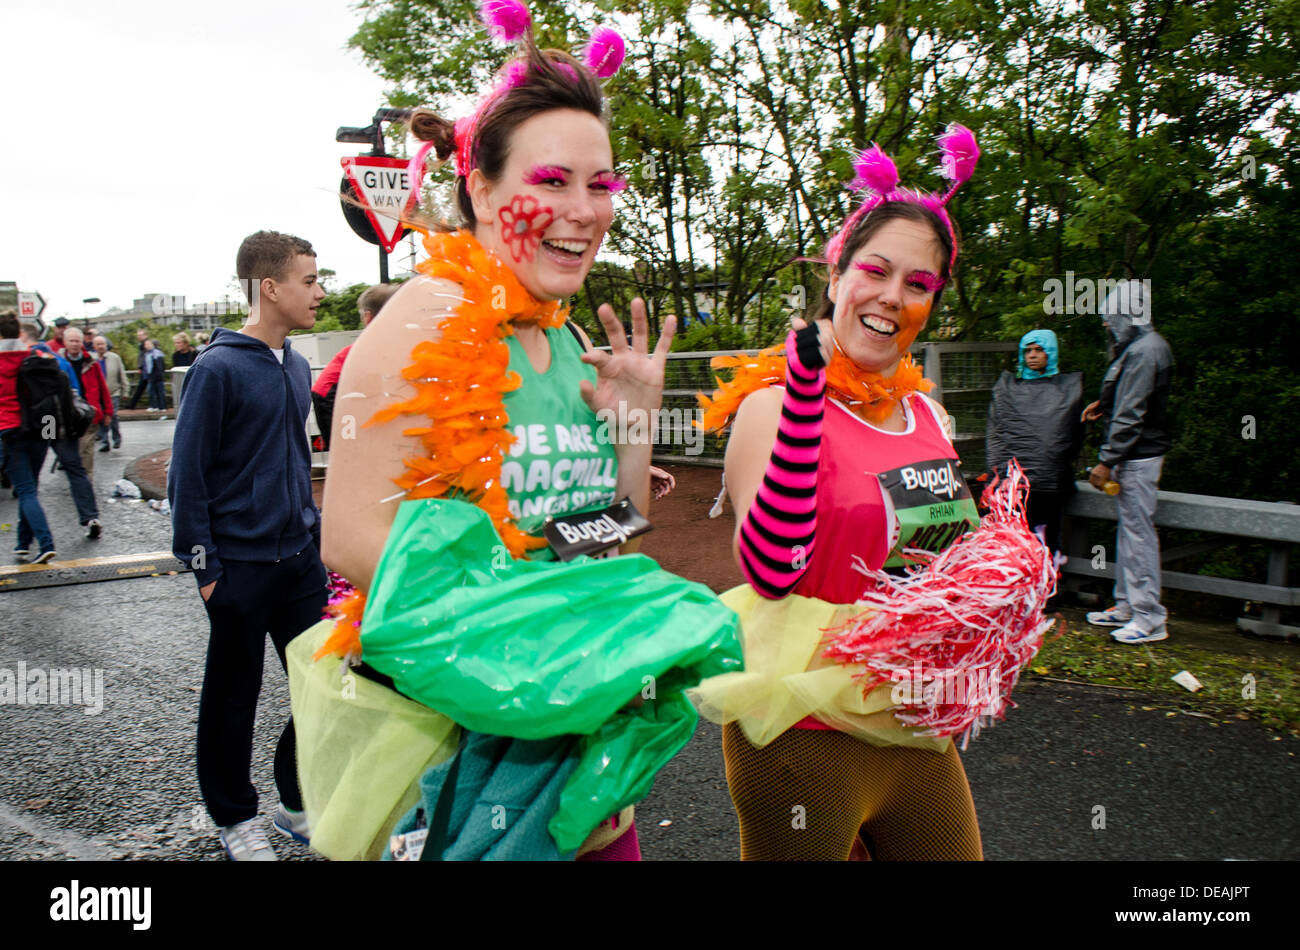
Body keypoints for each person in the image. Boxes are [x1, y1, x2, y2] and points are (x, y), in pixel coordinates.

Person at [302, 8, 728, 863]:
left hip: (582, 761)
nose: (584, 209)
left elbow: (604, 538)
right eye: (555, 180)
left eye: (601, 185)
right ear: (484, 191)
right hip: (464, 762)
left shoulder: (567, 338)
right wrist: (553, 648)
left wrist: (636, 427)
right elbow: (352, 542)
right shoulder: (429, 315)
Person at [691, 128, 992, 860]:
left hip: (914, 724)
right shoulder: (770, 406)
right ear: (838, 272)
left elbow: (939, 569)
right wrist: (802, 402)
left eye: (918, 285)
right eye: (877, 270)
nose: (893, 296)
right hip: (805, 731)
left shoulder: (929, 415)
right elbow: (771, 568)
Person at [168, 230, 329, 861]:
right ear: (270, 288)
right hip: (236, 567)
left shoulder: (296, 364)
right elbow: (188, 474)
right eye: (309, 280)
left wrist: (313, 535)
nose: (319, 292)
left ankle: (294, 802)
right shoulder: (216, 367)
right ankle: (236, 818)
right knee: (233, 695)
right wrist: (204, 568)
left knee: (323, 686)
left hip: (300, 561)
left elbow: (293, 458)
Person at [1082, 279, 1173, 644]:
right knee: (1129, 531)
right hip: (1135, 453)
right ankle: (1126, 607)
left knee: (1138, 535)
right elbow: (1132, 397)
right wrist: (1104, 404)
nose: (1106, 324)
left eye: (1111, 317)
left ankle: (1150, 618)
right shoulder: (1145, 346)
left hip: (1137, 456)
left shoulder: (1143, 351)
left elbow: (1133, 413)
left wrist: (1106, 461)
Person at [985, 328, 1083, 606]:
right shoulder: (1007, 389)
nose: (1033, 356)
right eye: (1028, 350)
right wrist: (996, 474)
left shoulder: (1067, 391)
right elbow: (997, 431)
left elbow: (1070, 435)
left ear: (1050, 352)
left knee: (1048, 537)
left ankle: (1048, 591)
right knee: (1018, 538)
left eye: (1039, 350)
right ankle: (1019, 591)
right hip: (1016, 483)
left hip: (1051, 483)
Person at [310, 283, 398, 451]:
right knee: (349, 451)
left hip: (336, 391)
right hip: (330, 395)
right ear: (369, 318)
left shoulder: (382, 340)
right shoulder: (372, 342)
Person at [0, 311, 57, 563]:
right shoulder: (35, 357)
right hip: (40, 429)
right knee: (30, 487)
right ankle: (23, 543)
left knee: (24, 490)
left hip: (9, 431)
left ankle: (46, 543)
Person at [59, 328, 113, 476]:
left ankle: (85, 479)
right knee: (69, 449)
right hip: (66, 414)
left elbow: (103, 388)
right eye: (71, 341)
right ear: (65, 342)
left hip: (88, 413)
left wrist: (108, 412)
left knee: (86, 449)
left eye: (78, 341)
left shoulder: (91, 363)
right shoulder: (58, 363)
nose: (75, 344)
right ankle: (76, 477)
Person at [93, 335, 126, 450]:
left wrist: (125, 390)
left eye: (103, 344)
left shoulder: (114, 358)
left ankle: (116, 438)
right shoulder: (92, 359)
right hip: (98, 395)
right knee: (101, 418)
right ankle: (104, 441)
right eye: (98, 344)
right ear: (94, 346)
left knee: (113, 416)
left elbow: (122, 374)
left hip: (113, 392)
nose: (101, 347)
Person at [125, 328, 150, 409]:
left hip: (147, 370)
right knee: (142, 388)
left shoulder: (145, 344)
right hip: (145, 370)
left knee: (145, 388)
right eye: (138, 335)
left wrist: (140, 366)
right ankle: (132, 404)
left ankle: (132, 404)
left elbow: (143, 357)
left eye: (140, 335)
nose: (139, 337)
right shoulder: (142, 345)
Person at [142, 339, 167, 409]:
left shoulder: (157, 353)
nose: (146, 346)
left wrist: (160, 375)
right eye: (145, 344)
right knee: (151, 392)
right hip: (150, 376)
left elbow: (160, 366)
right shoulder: (146, 354)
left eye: (147, 344)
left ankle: (162, 407)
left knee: (160, 392)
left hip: (157, 376)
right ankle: (153, 406)